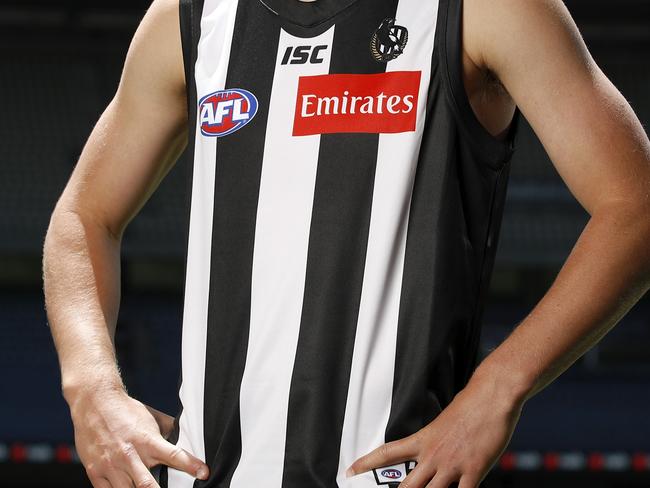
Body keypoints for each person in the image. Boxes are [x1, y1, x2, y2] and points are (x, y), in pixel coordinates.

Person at [42, 0, 650, 487]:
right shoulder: (191, 14)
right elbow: (83, 217)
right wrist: (92, 388)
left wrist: (498, 389)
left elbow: (637, 206)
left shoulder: (487, 8)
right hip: (211, 474)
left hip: (393, 475)